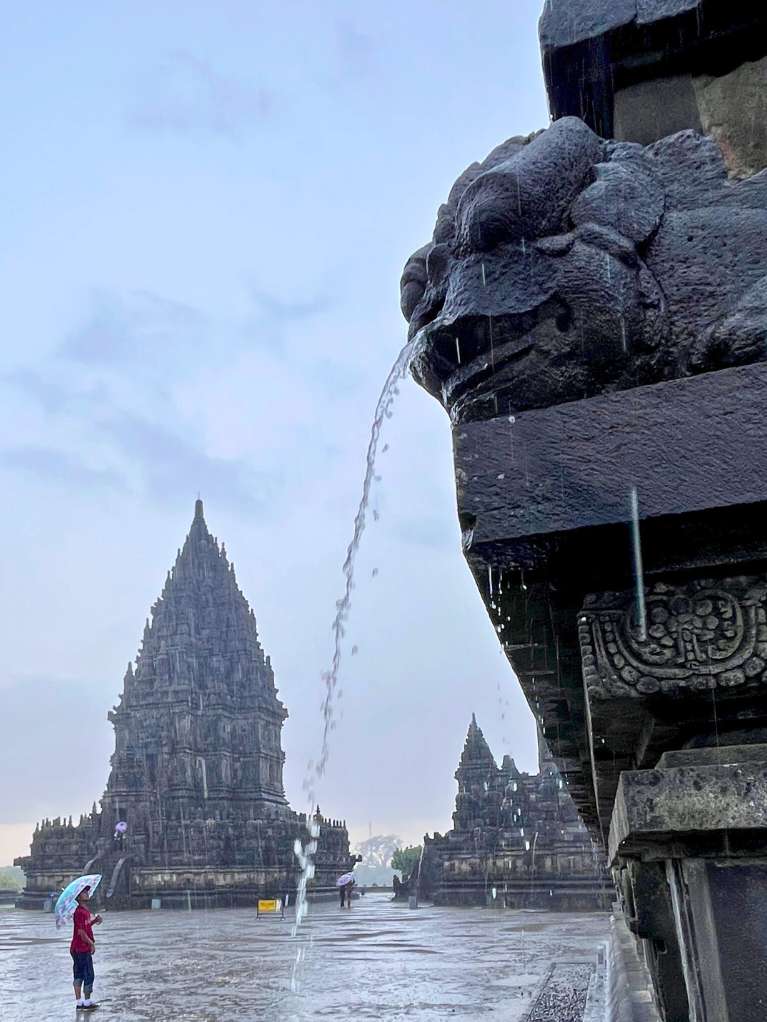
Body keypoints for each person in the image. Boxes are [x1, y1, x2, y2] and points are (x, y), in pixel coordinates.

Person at [70, 886, 102, 1011]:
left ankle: (79, 1002)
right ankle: (87, 1002)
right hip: (82, 948)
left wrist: (95, 921)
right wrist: (91, 944)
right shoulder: (81, 912)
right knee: (88, 974)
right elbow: (81, 933)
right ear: (79, 897)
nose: (87, 893)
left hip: (76, 948)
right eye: (84, 892)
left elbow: (86, 926)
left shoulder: (82, 911)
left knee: (78, 974)